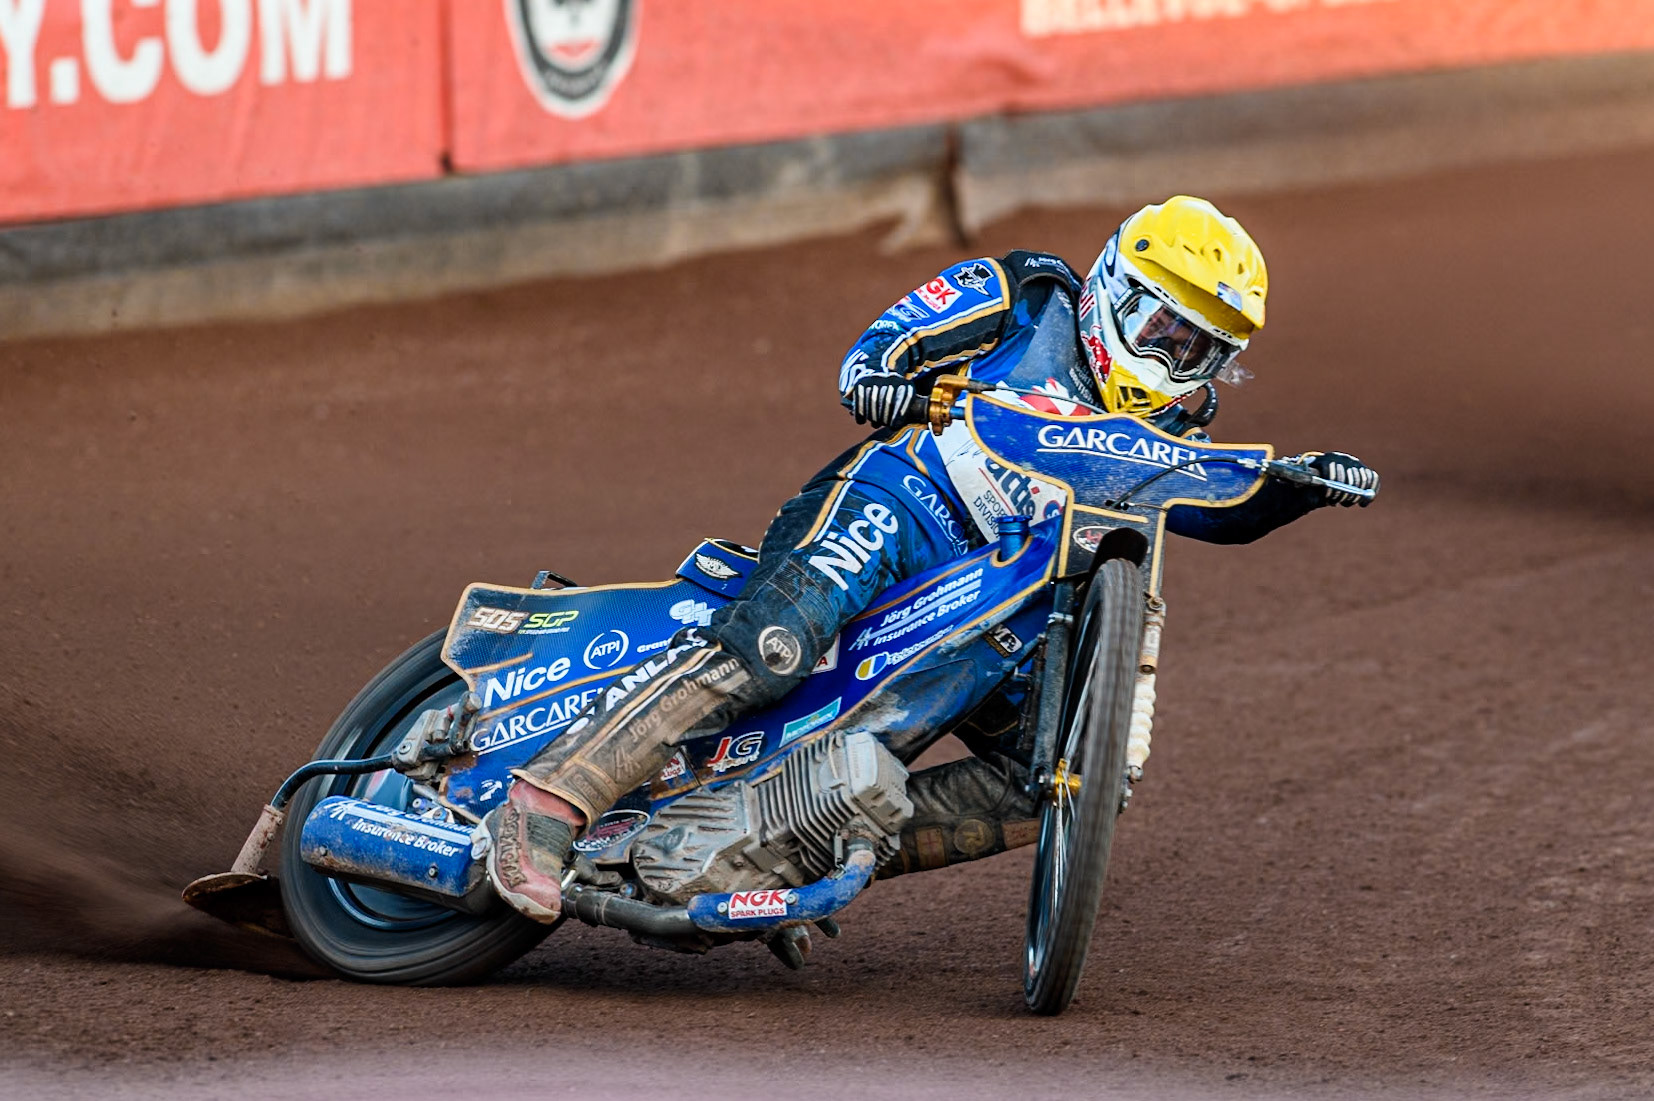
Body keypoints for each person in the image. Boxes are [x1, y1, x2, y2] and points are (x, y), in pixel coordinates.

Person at [483, 195, 1381, 921]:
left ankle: (789, 846)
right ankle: (546, 804)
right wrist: (882, 378)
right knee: (775, 644)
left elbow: (1218, 512)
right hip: (903, 503)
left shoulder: (1176, 430)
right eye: (1162, 330)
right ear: (1114, 285)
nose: (1173, 362)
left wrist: (1297, 488)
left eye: (1200, 352)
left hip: (1002, 606)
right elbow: (881, 348)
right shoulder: (1027, 293)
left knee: (1049, 780)